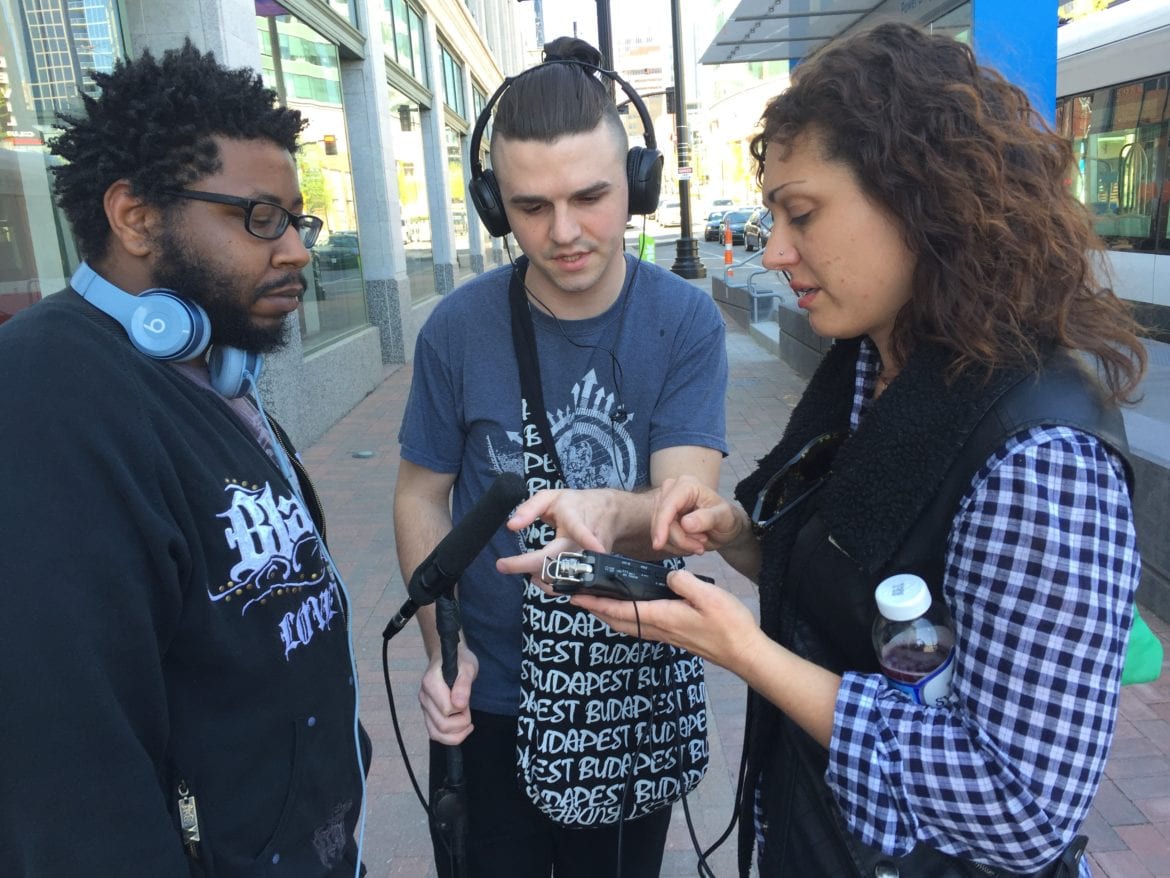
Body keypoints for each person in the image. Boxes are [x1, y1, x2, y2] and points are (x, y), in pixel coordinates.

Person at [500, 22, 1147, 878]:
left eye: (800, 214)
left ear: (923, 198)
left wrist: (748, 655)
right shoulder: (871, 362)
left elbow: (1019, 804)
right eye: (772, 215)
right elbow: (848, 578)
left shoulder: (1044, 457)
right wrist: (731, 527)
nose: (773, 252)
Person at [0, 43, 368, 875]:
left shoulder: (208, 370)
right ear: (134, 217)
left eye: (295, 219)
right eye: (258, 217)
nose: (297, 250)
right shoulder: (45, 399)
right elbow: (69, 775)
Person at [393, 37, 729, 878]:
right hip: (487, 698)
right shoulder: (455, 330)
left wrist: (612, 521)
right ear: (496, 204)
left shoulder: (686, 323)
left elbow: (680, 510)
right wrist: (444, 647)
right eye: (532, 206)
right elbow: (419, 497)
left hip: (625, 696)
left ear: (638, 188)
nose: (565, 232)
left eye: (592, 197)